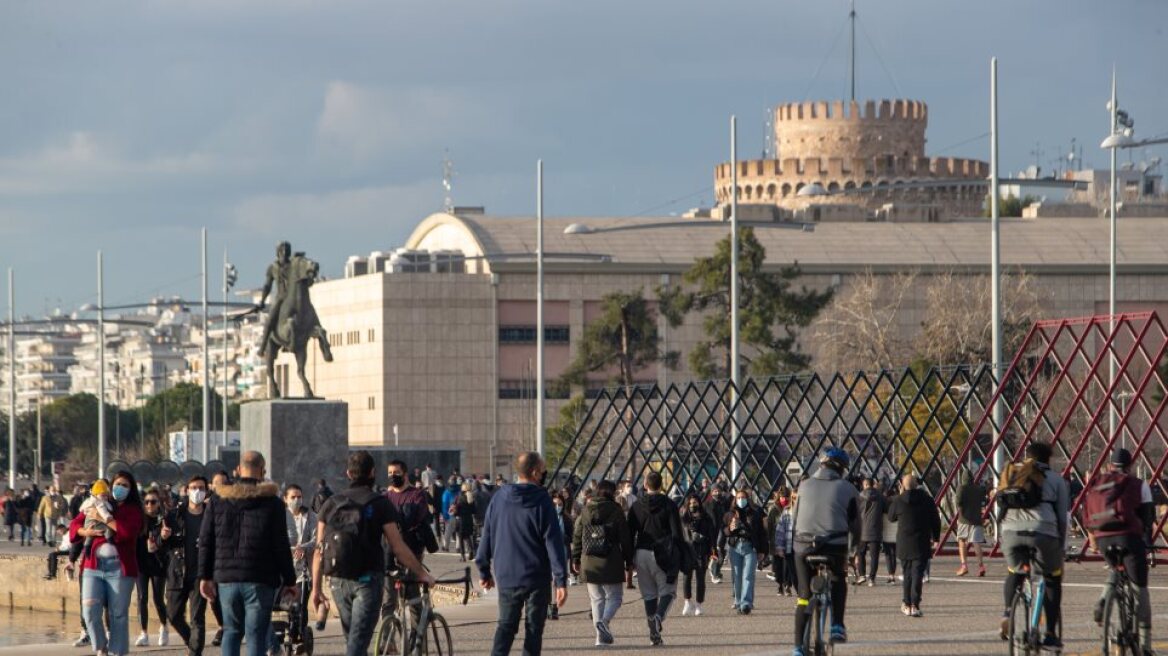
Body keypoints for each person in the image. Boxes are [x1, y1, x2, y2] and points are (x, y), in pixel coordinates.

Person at [310, 451, 433, 656]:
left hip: (337, 581)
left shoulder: (330, 504)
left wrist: (316, 589)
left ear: (348, 473)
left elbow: (318, 550)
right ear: (373, 472)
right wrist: (421, 573)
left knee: (354, 640)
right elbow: (398, 546)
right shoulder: (380, 503)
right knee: (357, 644)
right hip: (368, 579)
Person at [197, 451, 296, 656]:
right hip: (260, 578)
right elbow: (281, 545)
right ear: (262, 471)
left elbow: (206, 541)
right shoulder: (273, 503)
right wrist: (290, 579)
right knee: (256, 636)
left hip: (226, 579)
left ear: (239, 470)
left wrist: (204, 576)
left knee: (231, 632)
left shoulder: (217, 500)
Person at [475, 451, 568, 656]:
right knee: (534, 631)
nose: (545, 474)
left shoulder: (499, 498)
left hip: (507, 575)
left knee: (506, 626)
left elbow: (487, 535)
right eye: (543, 470)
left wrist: (484, 571)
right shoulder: (542, 500)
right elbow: (553, 541)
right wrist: (561, 580)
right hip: (537, 576)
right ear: (535, 473)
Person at [996, 441, 1069, 649]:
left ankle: (1008, 612)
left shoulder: (1012, 474)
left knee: (1015, 572)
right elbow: (1063, 519)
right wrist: (1061, 547)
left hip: (1010, 532)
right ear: (1048, 459)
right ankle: (1051, 634)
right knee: (1052, 578)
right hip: (1042, 531)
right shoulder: (1056, 479)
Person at [790, 448, 859, 655]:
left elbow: (794, 520)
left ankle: (797, 649)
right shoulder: (848, 489)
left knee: (803, 596)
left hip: (802, 545)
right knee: (838, 577)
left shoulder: (803, 485)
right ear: (841, 468)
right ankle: (837, 624)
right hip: (834, 545)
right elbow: (855, 526)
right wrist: (853, 552)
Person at [1088, 448, 1157, 656]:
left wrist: (1094, 539)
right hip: (1128, 537)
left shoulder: (1099, 483)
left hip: (1102, 538)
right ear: (1130, 466)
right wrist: (1148, 547)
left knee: (1115, 568)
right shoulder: (1139, 484)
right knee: (1140, 590)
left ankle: (1103, 600)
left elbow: (1088, 512)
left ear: (1110, 465)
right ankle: (1145, 646)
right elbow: (1147, 519)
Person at [69, 471, 146, 656]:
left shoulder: (133, 510)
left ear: (131, 489)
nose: (120, 488)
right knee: (89, 611)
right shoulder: (99, 501)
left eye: (125, 485)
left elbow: (127, 532)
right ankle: (101, 646)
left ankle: (117, 652)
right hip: (92, 567)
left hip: (121, 568)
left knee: (118, 614)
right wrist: (85, 532)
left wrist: (105, 518)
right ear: (111, 486)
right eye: (118, 484)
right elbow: (74, 525)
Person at [571, 479, 633, 646]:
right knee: (616, 597)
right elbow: (625, 538)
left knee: (596, 600)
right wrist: (629, 560)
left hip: (589, 559)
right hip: (611, 558)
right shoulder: (616, 510)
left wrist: (575, 558)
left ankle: (600, 639)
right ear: (612, 493)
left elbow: (577, 536)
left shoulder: (585, 510)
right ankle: (604, 622)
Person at [627, 471, 683, 646]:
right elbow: (676, 534)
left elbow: (630, 533)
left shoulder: (636, 506)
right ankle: (658, 617)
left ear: (645, 485)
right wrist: (678, 554)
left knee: (649, 595)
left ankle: (654, 635)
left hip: (641, 551)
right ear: (660, 485)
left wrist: (629, 559)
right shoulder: (669, 504)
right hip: (663, 552)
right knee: (668, 591)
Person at [161, 475, 211, 656]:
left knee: (197, 617)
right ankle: (192, 642)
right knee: (173, 614)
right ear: (187, 490)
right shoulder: (175, 515)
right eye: (193, 487)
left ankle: (195, 652)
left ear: (206, 491)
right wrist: (163, 537)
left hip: (201, 574)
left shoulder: (211, 515)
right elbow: (161, 543)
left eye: (201, 488)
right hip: (178, 572)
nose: (197, 491)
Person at [384, 459, 436, 616]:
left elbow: (417, 519)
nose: (393, 476)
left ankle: (416, 637)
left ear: (405, 475)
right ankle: (388, 639)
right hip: (389, 553)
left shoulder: (416, 495)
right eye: (390, 473)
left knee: (412, 597)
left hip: (411, 552)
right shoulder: (386, 496)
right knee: (388, 601)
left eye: (396, 473)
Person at [887, 474, 940, 617]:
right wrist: (936, 537)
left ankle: (906, 603)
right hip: (921, 541)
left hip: (904, 542)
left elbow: (891, 517)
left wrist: (899, 495)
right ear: (917, 485)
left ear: (903, 485)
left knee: (907, 574)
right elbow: (935, 519)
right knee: (917, 574)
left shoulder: (899, 500)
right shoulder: (927, 499)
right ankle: (915, 604)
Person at [135, 489, 170, 647]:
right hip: (141, 564)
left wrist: (160, 540)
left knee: (158, 599)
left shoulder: (163, 520)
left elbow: (169, 544)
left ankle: (164, 627)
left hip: (158, 564)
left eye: (153, 501)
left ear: (159, 503)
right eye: (147, 501)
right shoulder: (139, 520)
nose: (149, 505)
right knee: (142, 598)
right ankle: (144, 633)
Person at [724, 489, 767, 614]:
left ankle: (746, 603)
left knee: (748, 576)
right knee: (737, 576)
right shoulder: (730, 514)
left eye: (743, 497)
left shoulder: (755, 513)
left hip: (750, 547)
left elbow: (761, 533)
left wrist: (762, 550)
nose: (741, 500)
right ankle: (738, 601)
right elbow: (724, 531)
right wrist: (730, 528)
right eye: (738, 498)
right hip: (735, 547)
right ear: (735, 500)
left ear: (748, 499)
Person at [680, 495, 715, 614]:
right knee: (686, 578)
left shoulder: (706, 518)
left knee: (700, 579)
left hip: (702, 551)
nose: (692, 505)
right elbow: (680, 534)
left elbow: (711, 535)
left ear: (699, 503)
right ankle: (687, 602)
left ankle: (699, 604)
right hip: (687, 551)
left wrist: (712, 550)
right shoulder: (684, 518)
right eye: (690, 503)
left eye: (694, 503)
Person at [954, 471, 988, 577]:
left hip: (964, 519)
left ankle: (964, 566)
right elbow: (984, 500)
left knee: (962, 541)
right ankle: (981, 566)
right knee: (976, 542)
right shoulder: (977, 489)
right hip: (977, 519)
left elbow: (958, 502)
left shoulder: (961, 488)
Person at [548, 495, 575, 620]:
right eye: (555, 504)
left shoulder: (567, 519)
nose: (557, 507)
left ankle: (555, 608)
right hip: (547, 552)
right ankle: (548, 606)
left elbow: (572, 537)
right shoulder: (546, 518)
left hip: (562, 551)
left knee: (558, 580)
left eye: (560, 504)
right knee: (548, 581)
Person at [857, 479, 885, 587]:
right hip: (875, 530)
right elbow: (886, 509)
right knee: (874, 556)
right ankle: (871, 579)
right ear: (872, 485)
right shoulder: (880, 496)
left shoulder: (859, 496)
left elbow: (856, 511)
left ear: (865, 485)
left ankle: (862, 575)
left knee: (861, 554)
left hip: (862, 530)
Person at [768, 488, 796, 596]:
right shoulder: (774, 510)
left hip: (789, 541)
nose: (784, 499)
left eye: (786, 497)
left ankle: (787, 585)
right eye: (782, 497)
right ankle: (780, 585)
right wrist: (770, 542)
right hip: (776, 541)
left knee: (788, 566)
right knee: (778, 566)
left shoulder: (792, 508)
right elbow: (770, 526)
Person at [704, 485, 730, 584]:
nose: (717, 493)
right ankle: (715, 574)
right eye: (715, 491)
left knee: (722, 554)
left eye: (718, 491)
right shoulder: (707, 504)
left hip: (721, 531)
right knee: (717, 552)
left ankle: (716, 571)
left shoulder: (722, 504)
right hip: (712, 533)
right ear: (711, 492)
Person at [880, 482, 899, 584]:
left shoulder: (883, 508)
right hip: (896, 535)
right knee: (894, 555)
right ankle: (893, 574)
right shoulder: (897, 506)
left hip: (886, 535)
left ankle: (890, 575)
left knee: (888, 555)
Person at [454, 482, 478, 562]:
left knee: (460, 538)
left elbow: (456, 509)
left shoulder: (459, 496)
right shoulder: (471, 497)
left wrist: (454, 513)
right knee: (468, 537)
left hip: (461, 519)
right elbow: (474, 510)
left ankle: (463, 556)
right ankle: (471, 551)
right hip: (469, 519)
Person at [441, 476, 459, 551]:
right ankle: (458, 547)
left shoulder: (447, 492)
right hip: (458, 515)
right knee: (458, 532)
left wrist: (445, 516)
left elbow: (444, 504)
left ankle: (446, 546)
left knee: (448, 532)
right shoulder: (459, 491)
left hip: (450, 514)